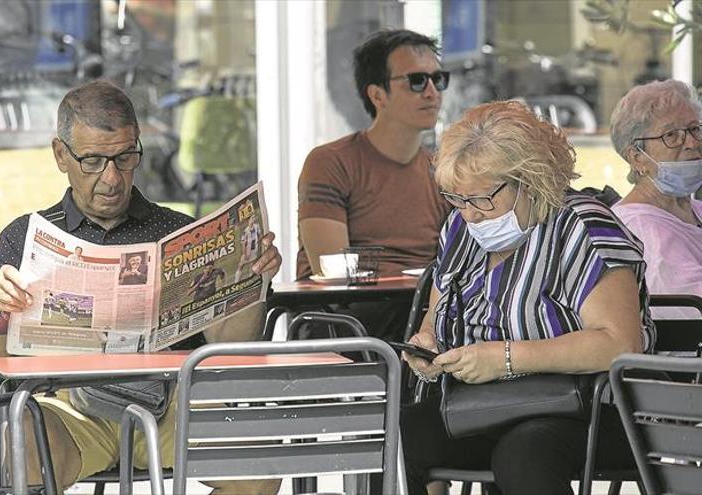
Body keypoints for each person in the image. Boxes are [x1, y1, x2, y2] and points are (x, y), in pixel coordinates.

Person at [0, 80, 283, 494]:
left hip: (168, 405)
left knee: (259, 467)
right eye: (93, 161)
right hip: (71, 410)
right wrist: (1, 313)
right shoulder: (27, 237)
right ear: (60, 155)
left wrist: (252, 278)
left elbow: (229, 346)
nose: (111, 178)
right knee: (24, 438)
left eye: (125, 157)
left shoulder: (176, 231)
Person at [401, 101, 654, 494]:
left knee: (523, 452)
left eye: (483, 199)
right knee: (401, 435)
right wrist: (427, 346)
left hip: (591, 409)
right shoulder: (460, 229)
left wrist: (504, 359)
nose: (470, 215)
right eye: (457, 199)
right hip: (483, 406)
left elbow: (620, 343)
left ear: (529, 180)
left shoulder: (584, 227)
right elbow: (435, 316)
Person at [294, 29, 451, 341]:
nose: (432, 92)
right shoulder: (331, 161)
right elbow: (333, 269)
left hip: (424, 313)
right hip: (347, 320)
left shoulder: (442, 170)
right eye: (417, 81)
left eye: (439, 79)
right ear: (377, 95)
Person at [609, 79, 702, 318]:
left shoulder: (693, 209)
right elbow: (691, 316)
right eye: (671, 135)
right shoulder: (641, 230)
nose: (691, 143)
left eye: (694, 129)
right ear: (637, 158)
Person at [234, 213, 262, 283]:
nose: (254, 219)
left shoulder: (256, 226)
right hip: (247, 250)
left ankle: (250, 279)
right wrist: (244, 253)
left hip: (254, 249)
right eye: (252, 218)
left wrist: (260, 242)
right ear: (248, 221)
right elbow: (243, 243)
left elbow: (260, 235)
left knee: (252, 264)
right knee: (241, 265)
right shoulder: (245, 231)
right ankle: (236, 281)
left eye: (254, 217)